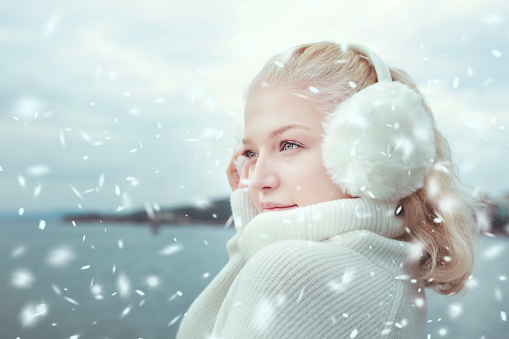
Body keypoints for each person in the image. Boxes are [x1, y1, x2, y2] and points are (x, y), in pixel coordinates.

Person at [176, 41, 479, 338]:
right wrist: (249, 236)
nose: (255, 180)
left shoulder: (290, 269)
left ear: (372, 151)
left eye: (289, 144)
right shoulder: (386, 265)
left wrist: (248, 240)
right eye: (251, 153)